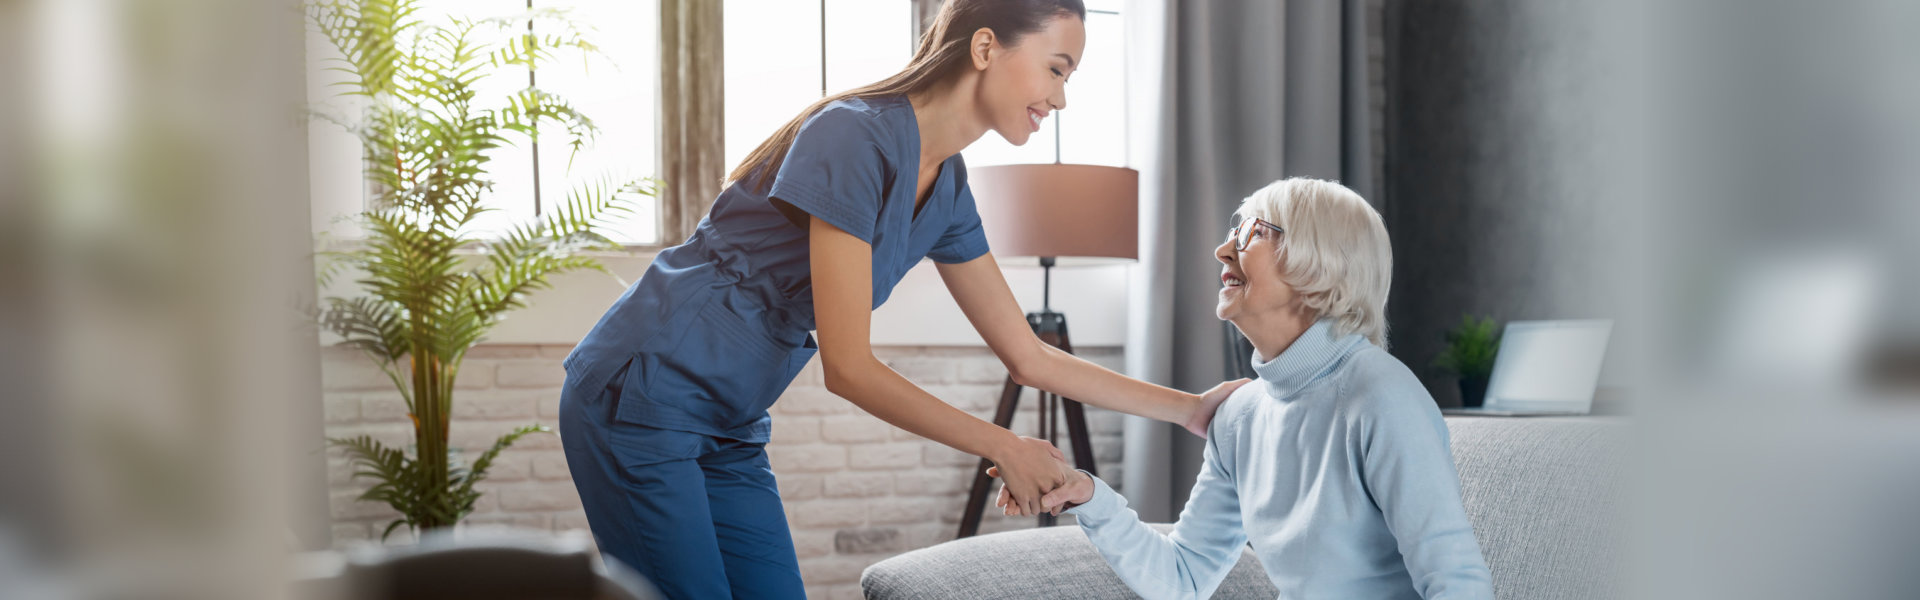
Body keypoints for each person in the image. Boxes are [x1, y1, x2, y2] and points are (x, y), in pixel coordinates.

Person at [557, 1, 1246, 598]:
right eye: (1057, 68)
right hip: (640, 397)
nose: (1060, 98)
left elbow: (1030, 357)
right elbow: (848, 366)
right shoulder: (853, 135)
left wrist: (1190, 410)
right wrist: (1004, 444)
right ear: (985, 47)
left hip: (729, 425)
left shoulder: (946, 188)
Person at [999, 178, 1496, 599]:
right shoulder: (1240, 418)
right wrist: (1089, 497)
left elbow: (1455, 580)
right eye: (1234, 230)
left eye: (1255, 232)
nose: (1223, 248)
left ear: (1321, 265)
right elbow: (1183, 576)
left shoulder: (1381, 394)